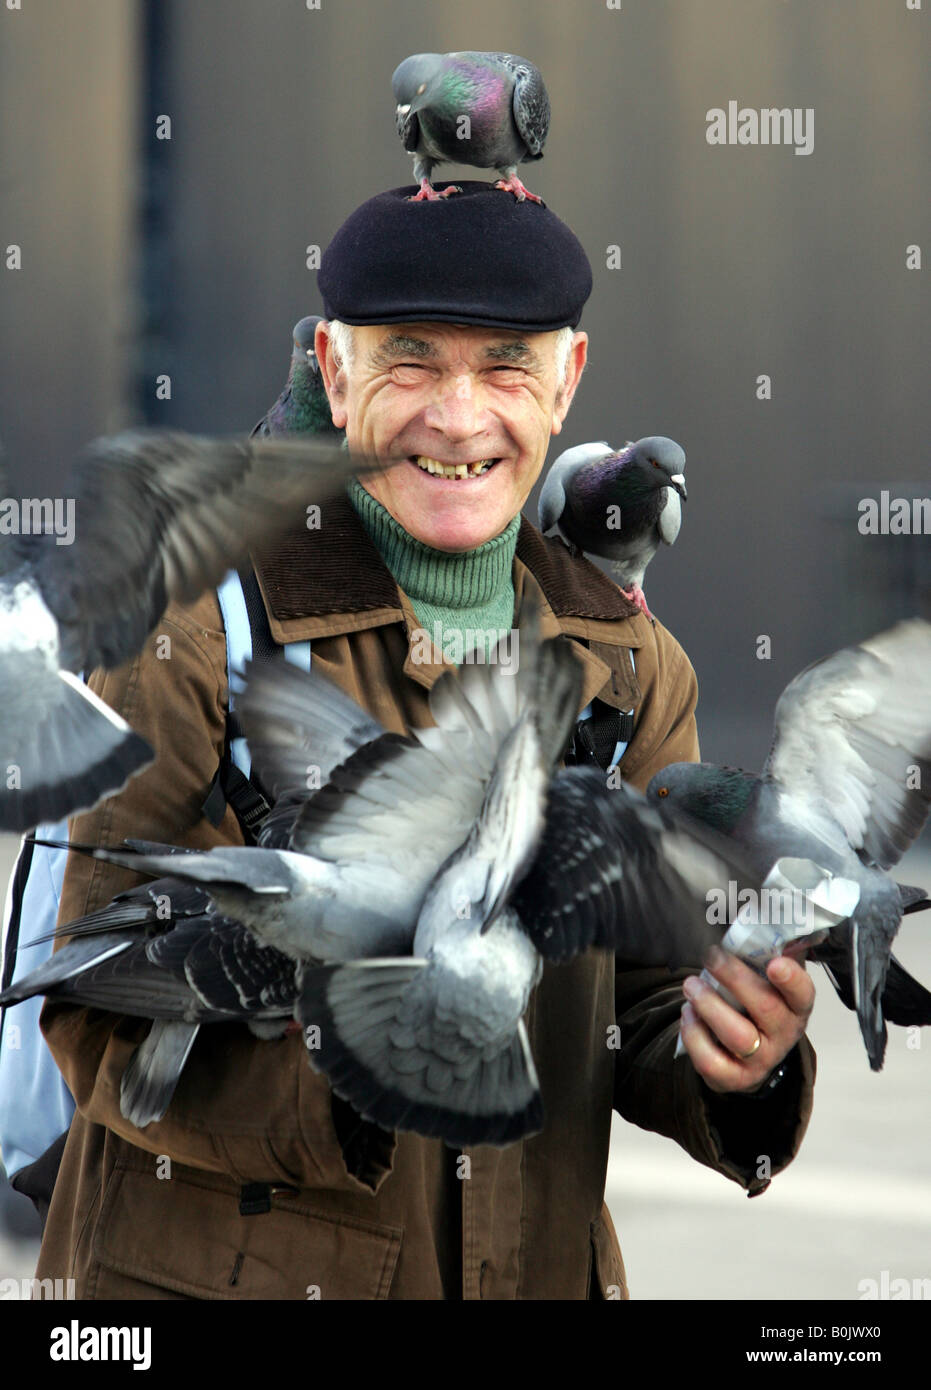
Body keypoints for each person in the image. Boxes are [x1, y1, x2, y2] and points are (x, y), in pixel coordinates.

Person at [33, 183, 815, 1300]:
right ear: (336, 372)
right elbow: (94, 1006)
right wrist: (362, 1069)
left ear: (567, 381)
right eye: (410, 361)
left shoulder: (628, 662)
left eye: (504, 365)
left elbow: (644, 997)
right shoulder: (189, 625)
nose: (457, 416)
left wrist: (734, 1055)